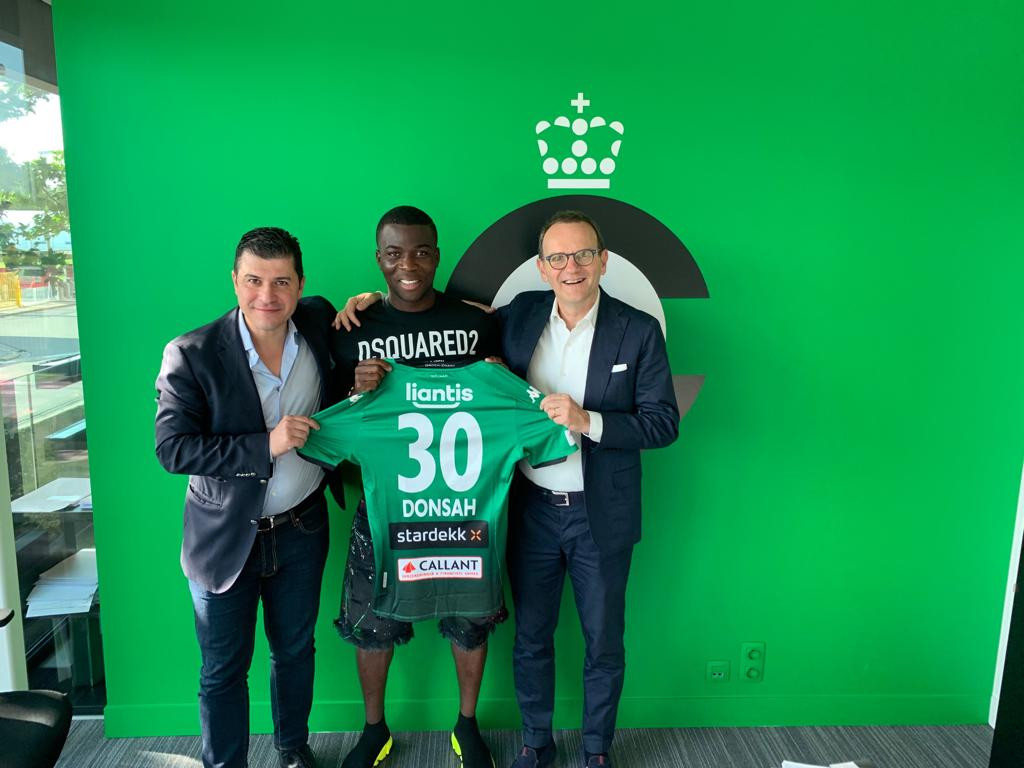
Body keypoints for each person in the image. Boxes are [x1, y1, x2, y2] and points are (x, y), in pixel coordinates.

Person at [155, 227, 341, 768]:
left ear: (300, 285)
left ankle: (292, 749)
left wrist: (369, 299)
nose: (268, 295)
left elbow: (365, 320)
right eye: (254, 280)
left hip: (303, 527)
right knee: (223, 670)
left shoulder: (317, 320)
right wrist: (266, 445)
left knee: (295, 652)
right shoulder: (191, 353)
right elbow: (172, 449)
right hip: (223, 539)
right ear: (235, 281)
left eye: (282, 282)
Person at [498, 210, 679, 768]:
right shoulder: (519, 314)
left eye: (582, 255)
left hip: (600, 514)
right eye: (557, 257)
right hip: (531, 509)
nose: (570, 267)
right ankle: (536, 743)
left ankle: (597, 750)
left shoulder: (638, 329)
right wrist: (370, 302)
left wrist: (588, 421)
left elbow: (662, 423)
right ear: (541, 267)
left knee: (603, 642)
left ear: (603, 261)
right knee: (531, 637)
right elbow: (456, 324)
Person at [329, 206, 504, 768]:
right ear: (378, 258)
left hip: (465, 502)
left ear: (437, 255)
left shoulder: (477, 324)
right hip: (387, 504)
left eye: (422, 252)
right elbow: (331, 420)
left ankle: (467, 724)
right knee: (372, 619)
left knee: (471, 618)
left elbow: (503, 401)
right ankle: (373, 729)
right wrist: (356, 391)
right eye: (394, 253)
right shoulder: (353, 330)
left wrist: (500, 378)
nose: (408, 265)